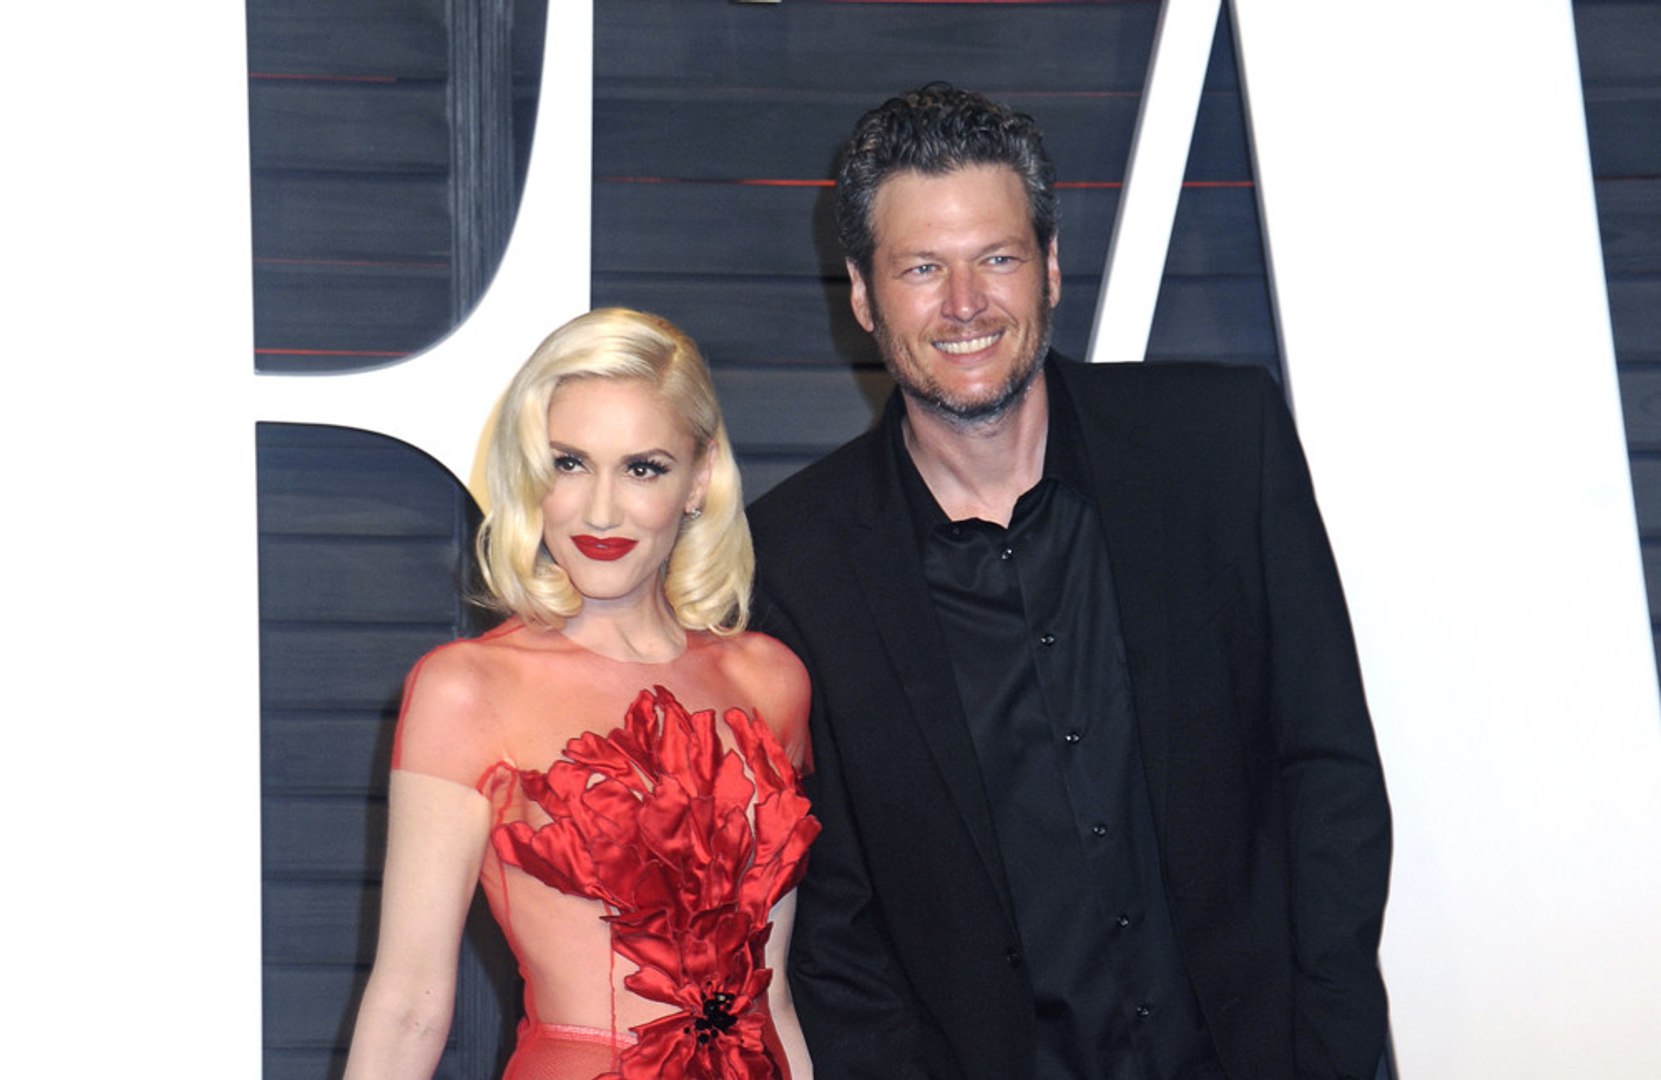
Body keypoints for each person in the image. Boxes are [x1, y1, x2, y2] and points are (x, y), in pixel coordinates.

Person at [747, 83, 1391, 1079]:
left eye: (996, 258)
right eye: (922, 268)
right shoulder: (795, 559)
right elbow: (834, 919)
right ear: (864, 295)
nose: (965, 303)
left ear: (1048, 268)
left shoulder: (1222, 444)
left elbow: (1327, 770)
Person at [344, 308, 819, 1080]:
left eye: (642, 468)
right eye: (569, 463)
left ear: (699, 478)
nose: (601, 510)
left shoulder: (770, 681)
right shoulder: (467, 689)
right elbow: (409, 1004)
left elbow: (775, 998)